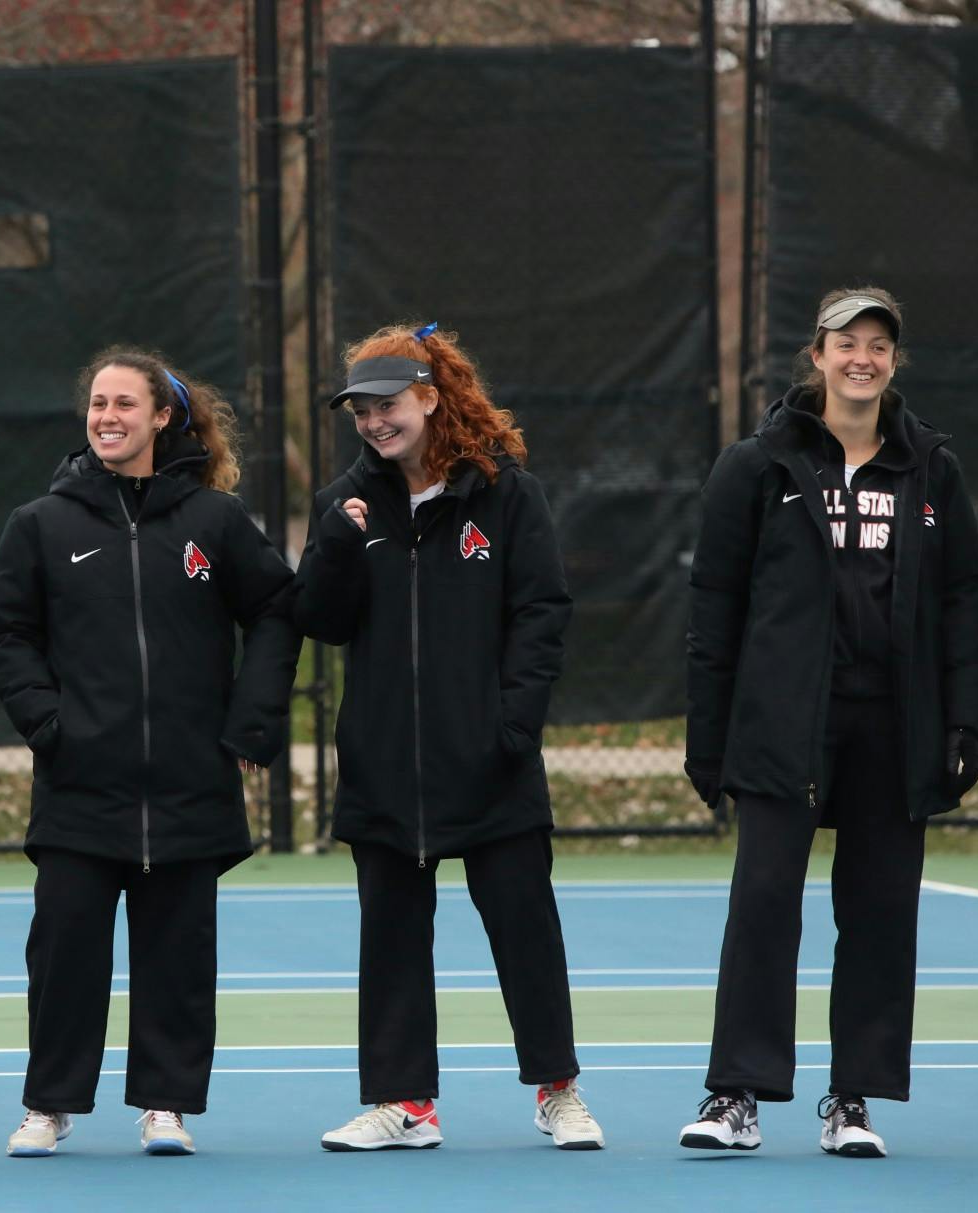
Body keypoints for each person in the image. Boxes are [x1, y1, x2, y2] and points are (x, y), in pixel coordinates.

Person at [680, 288, 978, 1158]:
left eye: (879, 344)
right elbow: (715, 608)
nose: (863, 357)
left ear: (895, 361)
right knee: (765, 904)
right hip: (785, 723)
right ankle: (733, 1093)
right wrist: (709, 736)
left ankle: (852, 1098)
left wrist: (967, 719)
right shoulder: (757, 464)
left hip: (894, 729)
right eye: (846, 342)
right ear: (815, 356)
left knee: (881, 912)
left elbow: (963, 603)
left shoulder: (931, 468)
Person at [0, 347, 299, 1158]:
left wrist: (249, 723)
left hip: (191, 785)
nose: (108, 417)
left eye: (126, 403)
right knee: (64, 952)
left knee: (180, 957)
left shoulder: (214, 522)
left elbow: (275, 612)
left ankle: (166, 1103)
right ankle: (50, 1103)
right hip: (81, 786)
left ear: (163, 418)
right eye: (97, 403)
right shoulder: (42, 523)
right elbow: (6, 634)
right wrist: (50, 724)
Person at [292, 322, 602, 1152]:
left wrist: (512, 725)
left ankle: (558, 1090)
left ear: (430, 399)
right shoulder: (345, 504)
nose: (373, 423)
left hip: (491, 764)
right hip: (385, 769)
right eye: (360, 411)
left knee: (526, 932)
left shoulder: (506, 496)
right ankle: (405, 1104)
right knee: (391, 939)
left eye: (388, 406)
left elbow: (542, 614)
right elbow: (320, 620)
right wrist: (331, 547)